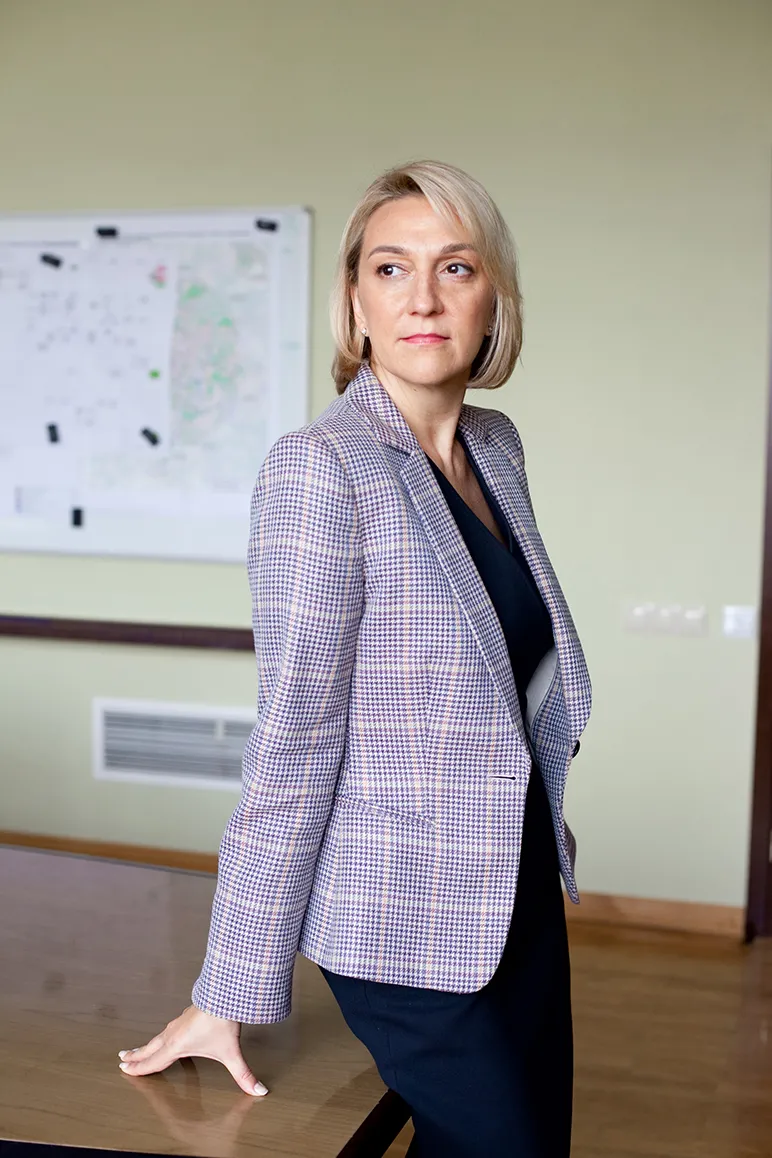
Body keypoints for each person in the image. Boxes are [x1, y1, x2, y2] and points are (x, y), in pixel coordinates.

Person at [117, 160, 592, 1157]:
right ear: (355, 300)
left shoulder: (495, 449)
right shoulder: (320, 469)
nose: (423, 298)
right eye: (390, 268)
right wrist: (230, 985)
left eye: (455, 267)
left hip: (514, 892)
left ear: (494, 297)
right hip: (399, 915)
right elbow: (296, 736)